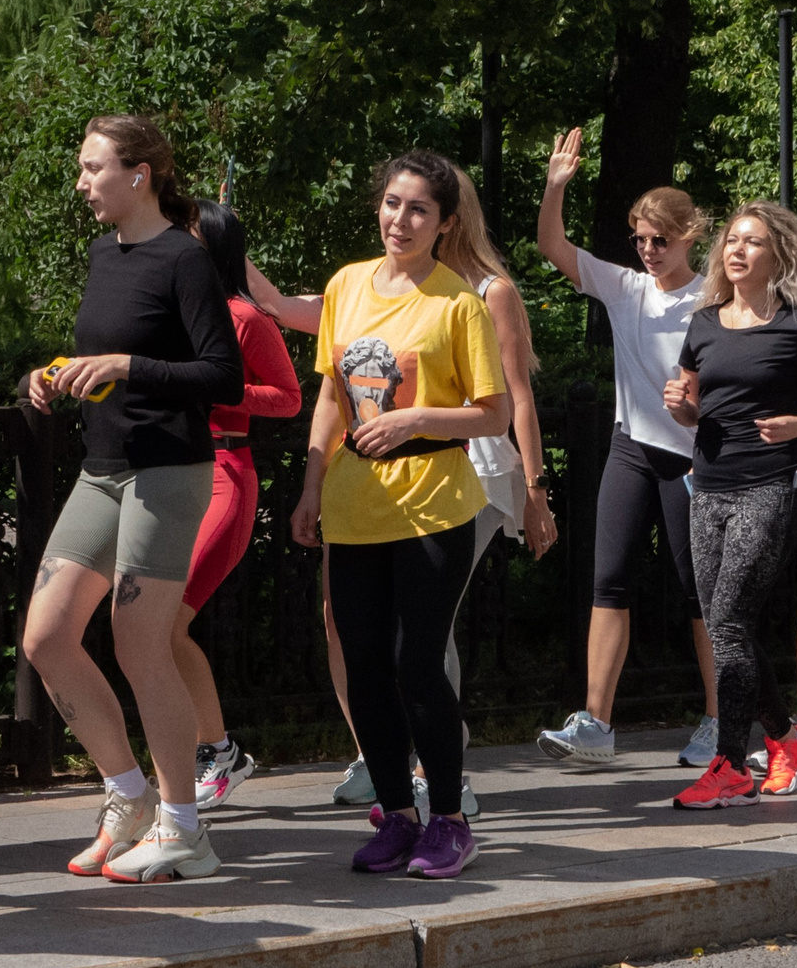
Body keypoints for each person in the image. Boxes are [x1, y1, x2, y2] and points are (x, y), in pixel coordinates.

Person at [22, 115, 242, 884]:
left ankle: (185, 829)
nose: (81, 182)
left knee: (139, 646)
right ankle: (130, 796)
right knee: (47, 638)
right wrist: (57, 374)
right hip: (103, 468)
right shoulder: (102, 253)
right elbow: (109, 354)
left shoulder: (185, 259)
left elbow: (223, 376)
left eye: (93, 168)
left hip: (166, 471)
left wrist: (127, 365)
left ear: (139, 174)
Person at [291, 150, 505, 879]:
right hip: (355, 506)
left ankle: (448, 820)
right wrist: (311, 486)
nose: (400, 220)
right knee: (365, 667)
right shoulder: (346, 285)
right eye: (392, 203)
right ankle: (395, 816)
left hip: (433, 505)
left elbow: (494, 414)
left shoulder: (458, 303)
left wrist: (414, 419)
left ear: (444, 224)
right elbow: (331, 396)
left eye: (418, 210)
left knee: (418, 663)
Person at [530, 127, 719, 767]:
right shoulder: (625, 288)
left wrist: (700, 407)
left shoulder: (712, 299)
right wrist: (556, 186)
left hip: (692, 457)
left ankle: (720, 719)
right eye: (639, 239)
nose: (647, 251)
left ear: (689, 236)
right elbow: (552, 246)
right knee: (607, 580)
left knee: (699, 592)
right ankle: (596, 724)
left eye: (660, 240)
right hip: (631, 448)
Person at [661, 204, 797, 808]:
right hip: (708, 485)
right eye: (733, 240)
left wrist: (796, 425)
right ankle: (786, 740)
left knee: (729, 620)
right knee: (726, 626)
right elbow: (692, 407)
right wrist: (681, 408)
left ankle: (731, 765)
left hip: (769, 484)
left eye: (754, 242)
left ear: (778, 255)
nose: (738, 250)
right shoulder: (703, 324)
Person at [177, 198, 301, 811]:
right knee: (149, 627)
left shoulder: (246, 317)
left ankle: (218, 752)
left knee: (166, 623)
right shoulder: (173, 309)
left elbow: (288, 397)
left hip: (226, 475)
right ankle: (198, 754)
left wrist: (222, 389)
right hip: (172, 476)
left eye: (189, 235)